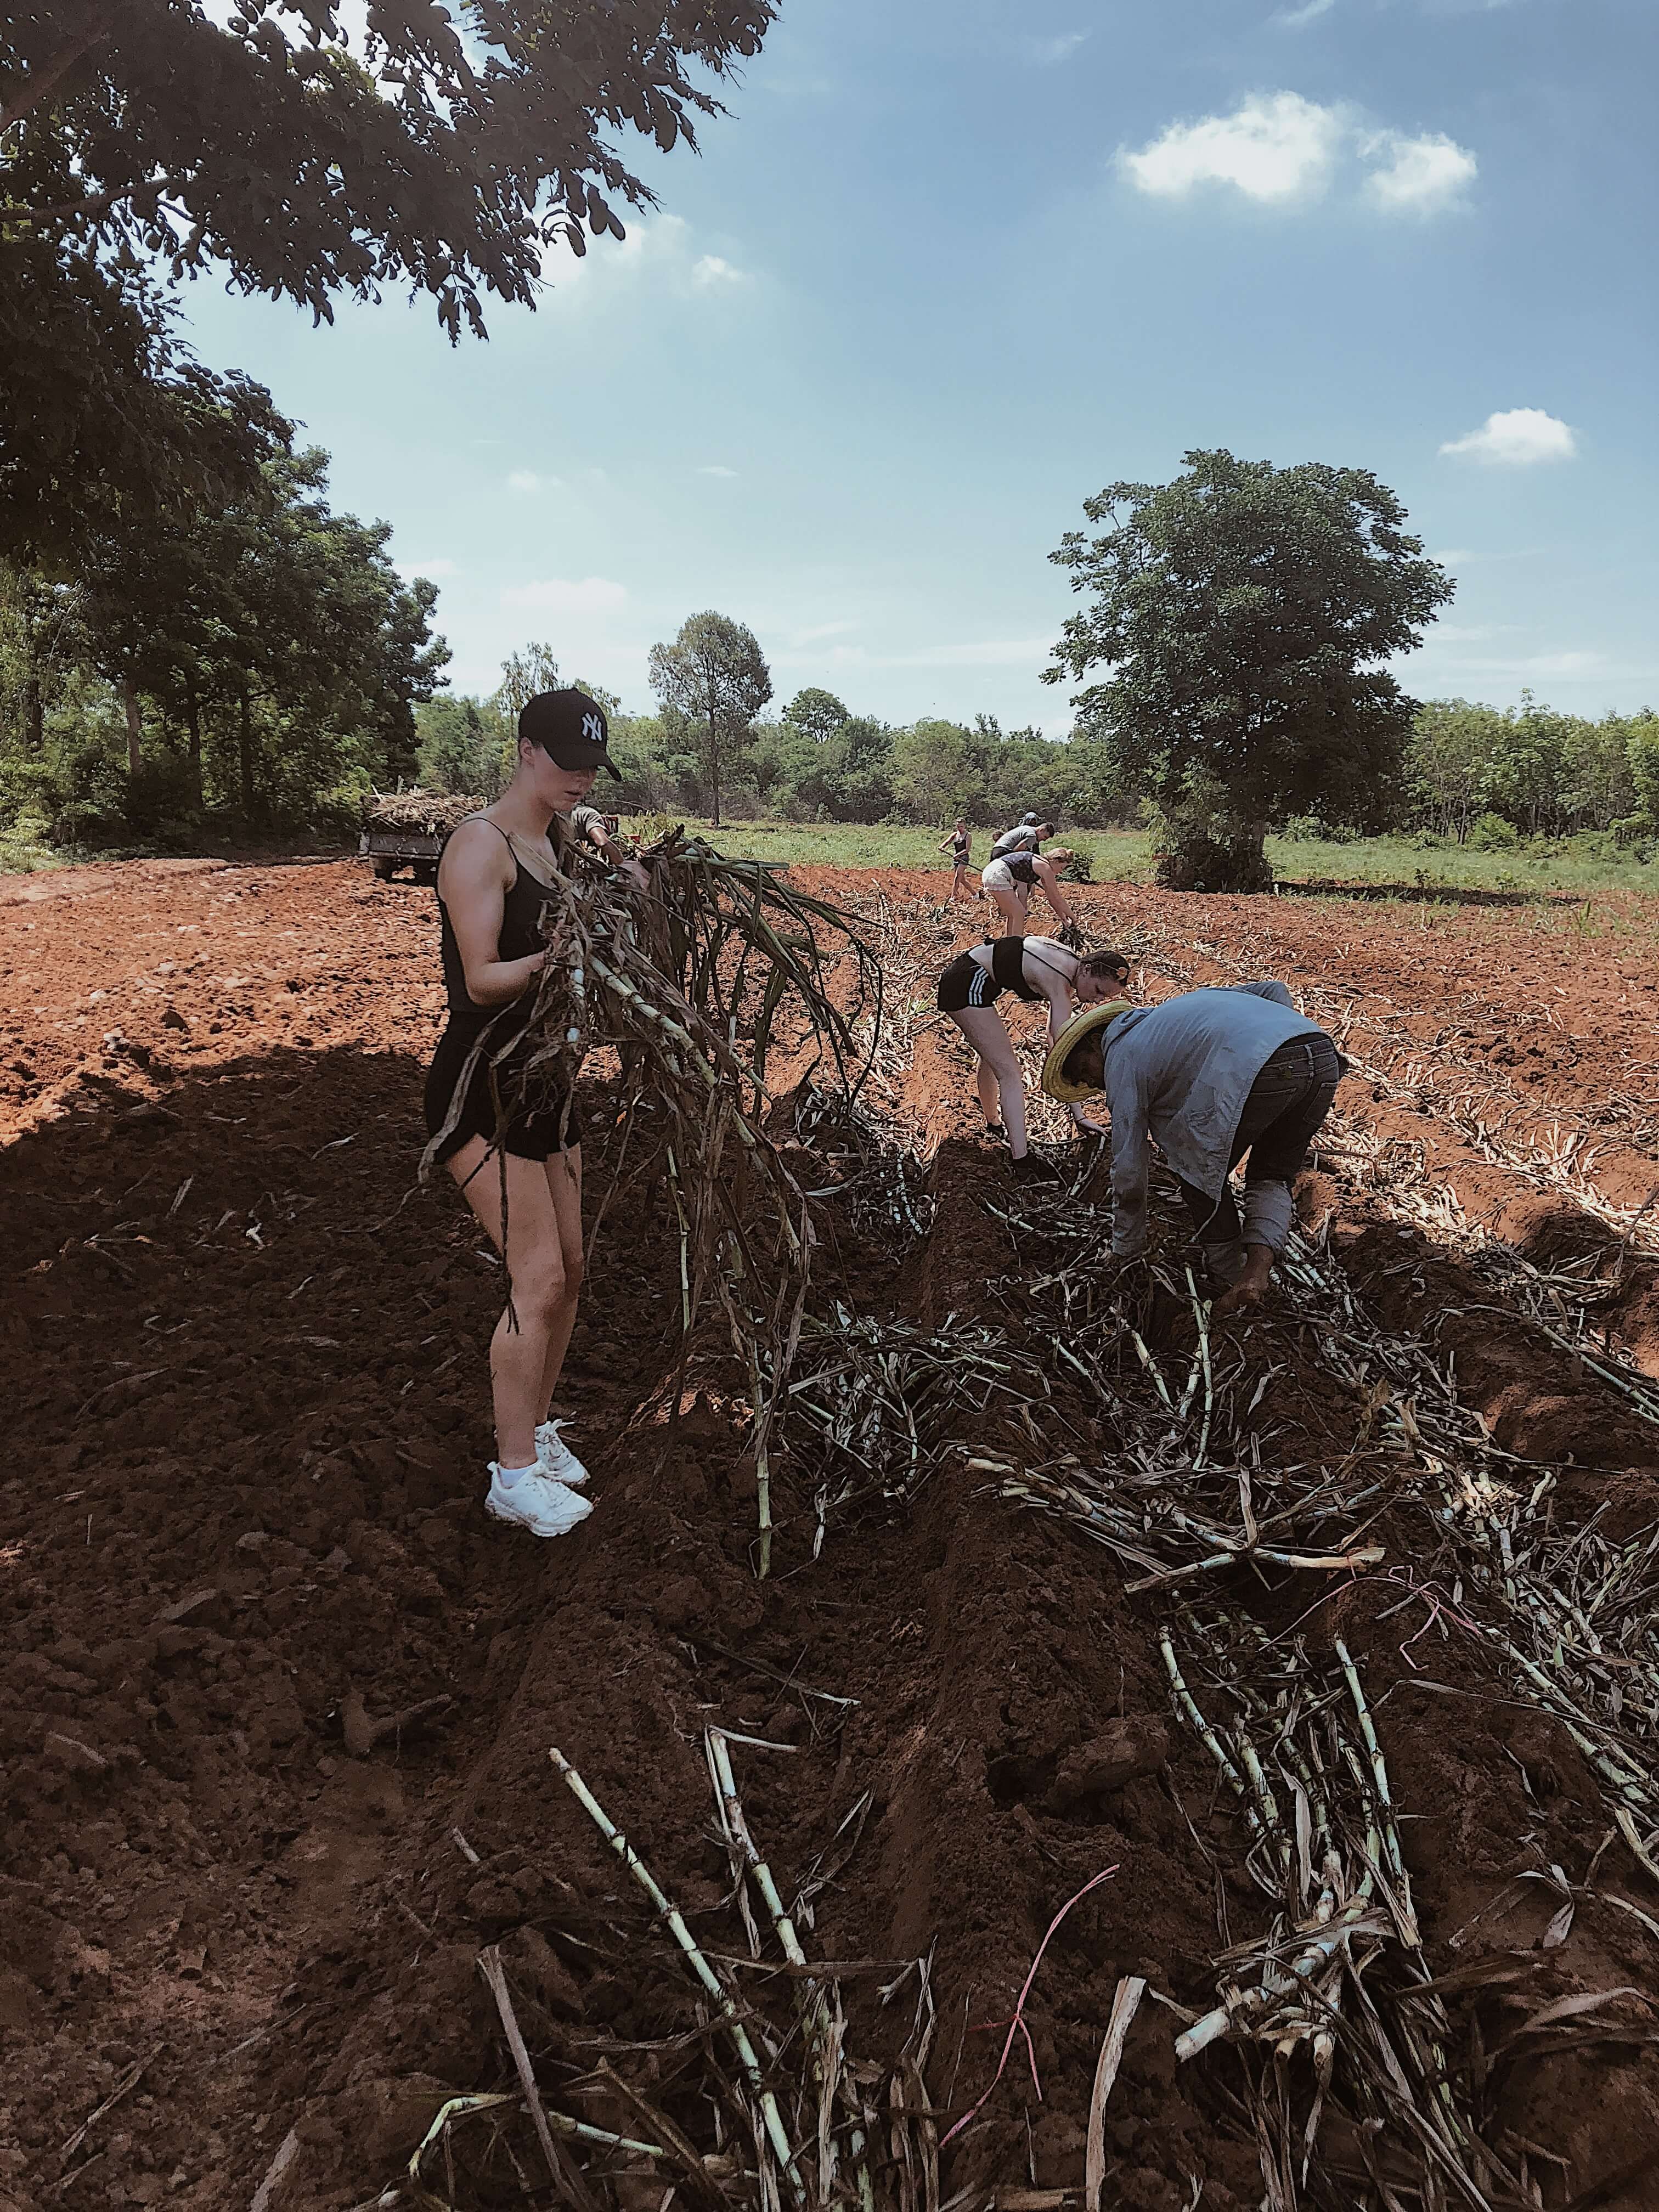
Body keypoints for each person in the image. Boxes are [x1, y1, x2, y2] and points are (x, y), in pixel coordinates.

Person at [423, 686, 625, 1538]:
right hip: (484, 1081)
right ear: (526, 749)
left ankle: (536, 1435)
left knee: (572, 1269)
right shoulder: (483, 846)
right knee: (536, 1277)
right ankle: (511, 1478)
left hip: (546, 1079)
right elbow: (480, 979)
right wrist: (566, 952)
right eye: (568, 764)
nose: (582, 779)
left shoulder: (560, 844)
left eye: (592, 767)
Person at [1040, 979, 1342, 1312]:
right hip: (1320, 1052)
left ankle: (1229, 1276)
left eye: (1086, 1070)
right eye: (1082, 1083)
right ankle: (1256, 1275)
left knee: (1198, 1176)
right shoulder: (1175, 1014)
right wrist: (1279, 1043)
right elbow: (1274, 991)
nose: (1092, 1083)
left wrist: (1126, 1247)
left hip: (1264, 1066)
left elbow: (1128, 1166)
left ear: (1097, 1042)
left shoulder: (1121, 1058)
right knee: (1272, 1176)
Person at [935, 938, 1130, 1182]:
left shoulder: (1071, 962)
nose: (1097, 1000)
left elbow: (1054, 1044)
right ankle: (1022, 1161)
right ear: (1088, 969)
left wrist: (1078, 1115)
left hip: (973, 976)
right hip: (967, 983)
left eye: (1105, 998)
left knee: (993, 1056)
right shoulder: (1059, 986)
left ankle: (994, 1124)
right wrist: (1078, 1113)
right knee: (1010, 1074)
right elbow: (1062, 1051)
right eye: (1099, 991)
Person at [979, 840, 1076, 935]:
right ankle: (1017, 944)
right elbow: (1058, 897)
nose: (1061, 872)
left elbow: (1053, 899)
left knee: (1013, 914)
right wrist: (1073, 918)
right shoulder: (1046, 868)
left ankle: (1009, 941)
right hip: (998, 874)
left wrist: (1064, 918)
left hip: (992, 871)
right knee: (1019, 913)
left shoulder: (1042, 865)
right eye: (1062, 868)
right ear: (1056, 861)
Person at [938, 820, 975, 902]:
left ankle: (953, 897)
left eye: (961, 827)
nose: (960, 828)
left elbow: (967, 849)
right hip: (956, 858)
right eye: (958, 827)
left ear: (965, 826)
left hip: (964, 858)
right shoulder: (955, 834)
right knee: (962, 880)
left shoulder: (968, 835)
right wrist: (942, 846)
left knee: (957, 877)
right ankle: (975, 894)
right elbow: (947, 842)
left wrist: (959, 855)